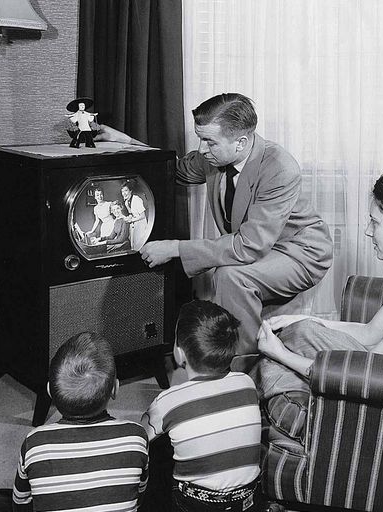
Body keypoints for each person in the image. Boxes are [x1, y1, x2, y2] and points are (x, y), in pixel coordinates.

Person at [96, 93, 333, 354]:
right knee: (229, 277)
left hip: (299, 250)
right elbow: (171, 170)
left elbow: (249, 247)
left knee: (231, 277)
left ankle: (242, 372)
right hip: (263, 245)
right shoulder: (215, 156)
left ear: (240, 142)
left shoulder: (279, 167)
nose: (201, 150)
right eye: (201, 139)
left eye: (209, 142)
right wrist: (128, 143)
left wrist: (175, 248)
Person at [254, 171, 383, 400]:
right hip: (382, 365)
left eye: (374, 223)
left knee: (284, 352)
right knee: (302, 330)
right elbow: (369, 334)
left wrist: (280, 354)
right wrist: (301, 319)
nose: (367, 231)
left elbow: (366, 372)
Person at [0, 332, 148, 512]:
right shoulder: (136, 436)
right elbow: (138, 499)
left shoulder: (35, 442)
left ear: (49, 391)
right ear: (115, 389)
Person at [141, 300, 262, 512]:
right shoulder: (247, 383)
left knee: (158, 447)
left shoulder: (168, 400)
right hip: (247, 509)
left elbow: (140, 436)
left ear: (179, 353)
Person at [121, 179, 149, 250]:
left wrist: (132, 220)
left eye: (126, 190)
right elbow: (131, 213)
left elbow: (143, 216)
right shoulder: (127, 202)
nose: (124, 193)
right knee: (133, 245)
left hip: (141, 225)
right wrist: (129, 217)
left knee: (140, 245)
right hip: (135, 225)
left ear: (130, 191)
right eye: (122, 191)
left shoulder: (136, 199)